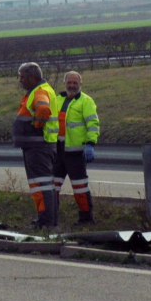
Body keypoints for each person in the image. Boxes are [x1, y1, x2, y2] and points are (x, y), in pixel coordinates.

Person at [13, 62, 58, 229]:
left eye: (23, 77)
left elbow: (43, 109)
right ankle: (45, 220)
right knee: (41, 184)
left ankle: (46, 222)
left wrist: (37, 126)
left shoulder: (39, 92)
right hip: (37, 146)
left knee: (42, 184)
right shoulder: (38, 90)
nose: (20, 81)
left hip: (38, 146)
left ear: (32, 78)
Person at [53, 71, 101, 225]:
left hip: (76, 153)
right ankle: (51, 217)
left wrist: (90, 144)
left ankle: (86, 219)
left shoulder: (86, 101)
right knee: (52, 186)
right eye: (69, 82)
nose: (72, 85)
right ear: (64, 83)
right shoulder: (57, 99)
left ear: (81, 84)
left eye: (75, 83)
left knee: (80, 188)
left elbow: (93, 125)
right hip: (57, 151)